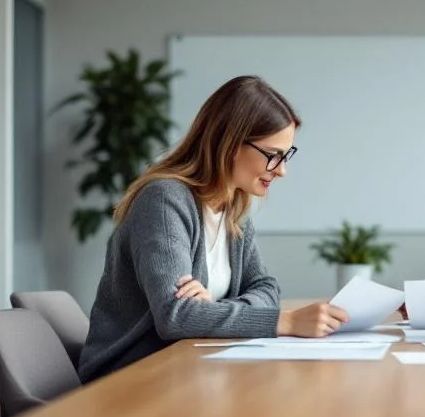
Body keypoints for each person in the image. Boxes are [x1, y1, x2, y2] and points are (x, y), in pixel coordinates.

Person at [78, 76, 349, 383]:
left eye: (285, 155)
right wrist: (283, 322)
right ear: (230, 142)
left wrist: (215, 309)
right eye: (273, 155)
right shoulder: (164, 200)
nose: (282, 170)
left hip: (190, 370)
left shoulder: (233, 208)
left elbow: (266, 288)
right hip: (130, 378)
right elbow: (176, 317)